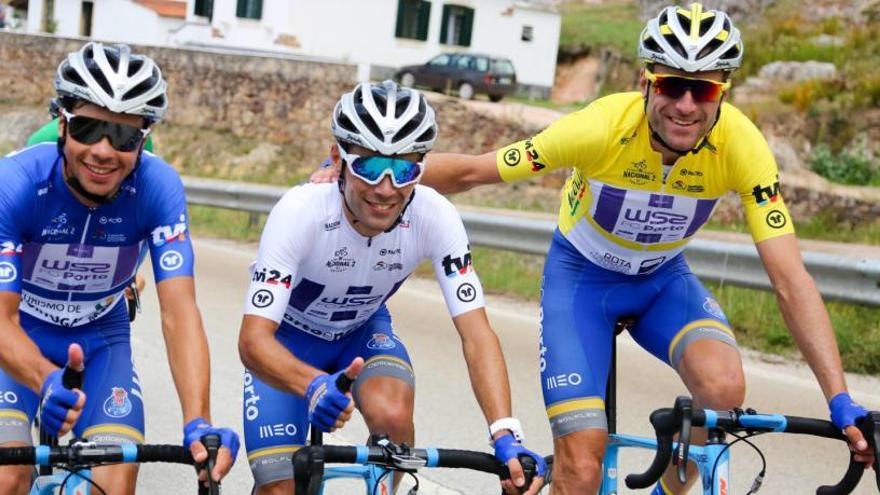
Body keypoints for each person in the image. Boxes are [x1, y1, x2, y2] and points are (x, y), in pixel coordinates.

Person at [313, 3, 874, 494]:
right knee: (581, 464)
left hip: (662, 281)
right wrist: (356, 169)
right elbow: (479, 170)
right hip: (581, 281)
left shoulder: (743, 146)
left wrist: (839, 397)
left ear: (722, 92)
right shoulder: (600, 127)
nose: (685, 104)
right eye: (671, 85)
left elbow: (789, 277)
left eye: (702, 89)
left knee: (723, 390)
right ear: (645, 82)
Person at [238, 80, 546, 494]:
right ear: (338, 159)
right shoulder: (300, 212)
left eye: (405, 169)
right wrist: (311, 386)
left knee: (394, 418)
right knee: (280, 487)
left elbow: (477, 334)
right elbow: (253, 341)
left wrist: (505, 432)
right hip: (287, 341)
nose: (386, 188)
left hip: (360, 335)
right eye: (368, 166)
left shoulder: (435, 216)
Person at [0, 42, 239, 494]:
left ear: (144, 139)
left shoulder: (159, 187)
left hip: (101, 337)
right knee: (8, 475)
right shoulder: (15, 183)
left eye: (125, 136)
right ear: (62, 123)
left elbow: (179, 313)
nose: (104, 151)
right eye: (88, 128)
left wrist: (198, 420)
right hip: (19, 335)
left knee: (115, 479)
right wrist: (44, 379)